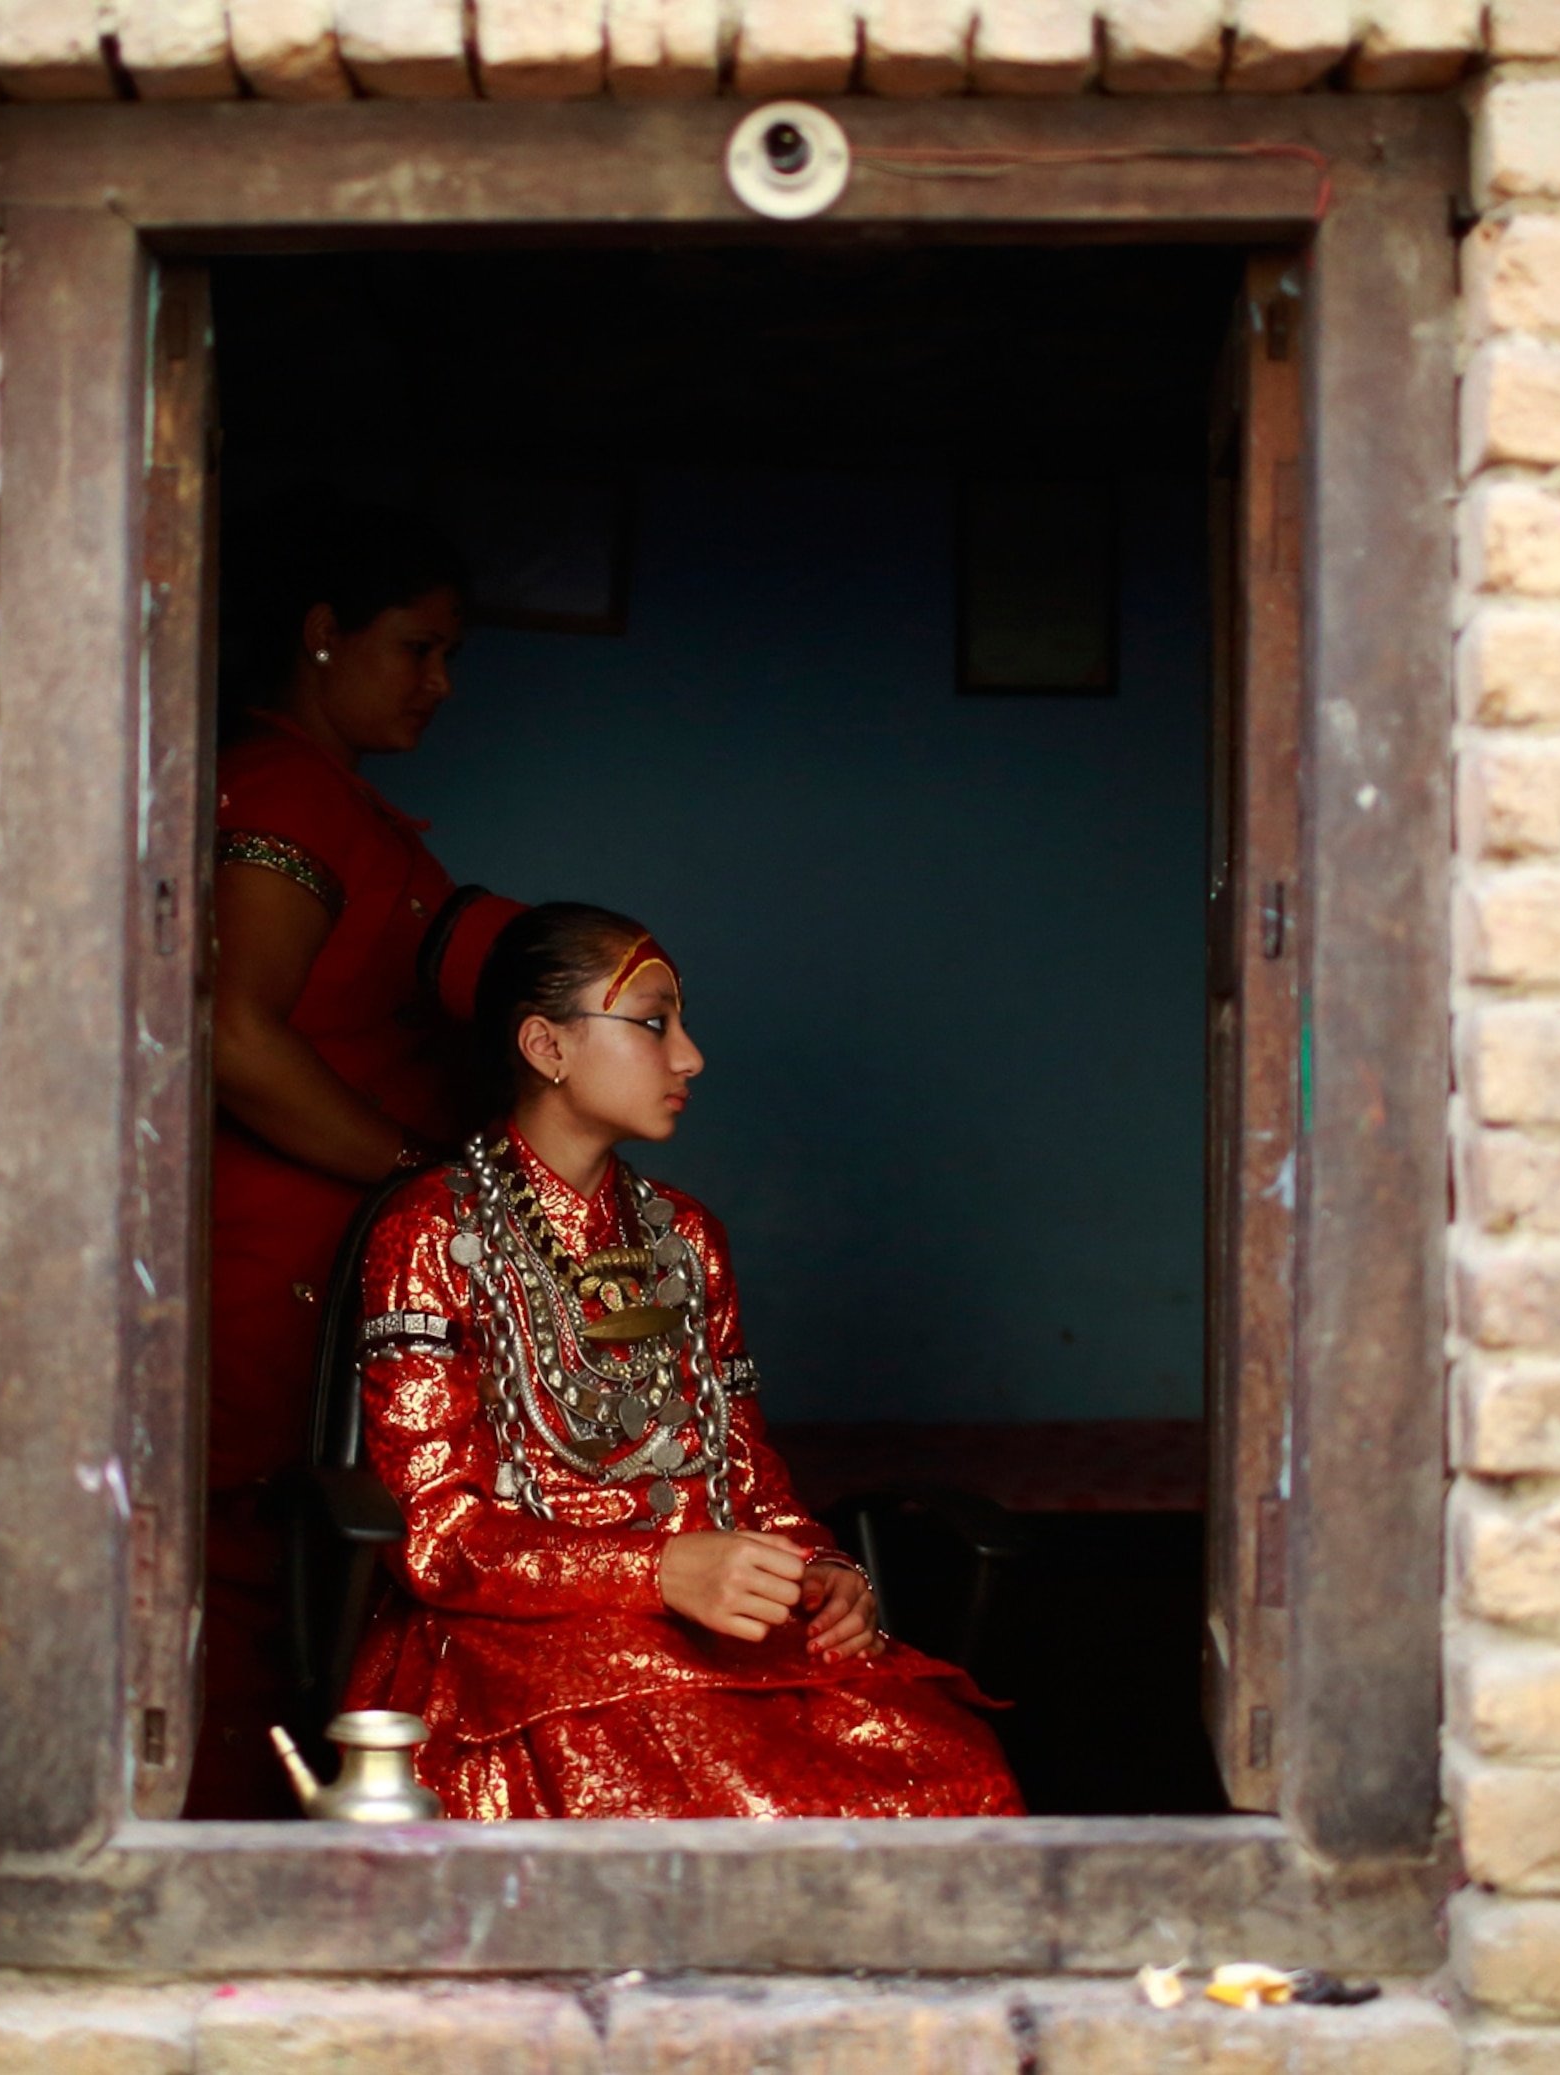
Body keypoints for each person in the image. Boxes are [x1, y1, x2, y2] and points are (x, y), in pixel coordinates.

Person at [339, 904, 1024, 1818]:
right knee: (706, 1787)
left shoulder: (686, 1235)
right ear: (547, 1043)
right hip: (514, 1636)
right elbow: (436, 1534)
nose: (690, 1055)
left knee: (949, 1769)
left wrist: (820, 1570)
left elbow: (744, 1476)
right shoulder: (430, 1227)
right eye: (655, 1022)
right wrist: (657, 1572)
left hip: (710, 1620)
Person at [194, 499, 521, 1819]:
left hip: (333, 1241)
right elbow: (233, 1034)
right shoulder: (278, 793)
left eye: (452, 655)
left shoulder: (339, 803)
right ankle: (216, 1849)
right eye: (416, 648)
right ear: (323, 634)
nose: (439, 684)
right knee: (256, 1554)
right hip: (273, 1237)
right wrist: (410, 1171)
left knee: (325, 1557)